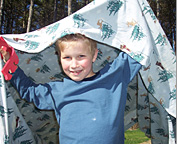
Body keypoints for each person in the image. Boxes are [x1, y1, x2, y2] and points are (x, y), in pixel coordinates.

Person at [0, 33, 142, 144]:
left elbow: (139, 47)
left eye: (81, 56)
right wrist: (10, 64)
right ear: (59, 59)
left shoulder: (114, 76)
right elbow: (30, 91)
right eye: (67, 57)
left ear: (94, 55)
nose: (74, 65)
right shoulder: (58, 90)